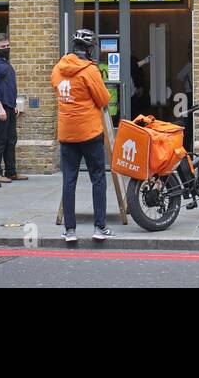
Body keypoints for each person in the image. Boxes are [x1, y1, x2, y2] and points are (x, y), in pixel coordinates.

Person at [51, 28, 113, 243]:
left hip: (66, 133)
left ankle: (69, 230)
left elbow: (55, 86)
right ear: (87, 50)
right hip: (89, 132)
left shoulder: (58, 68)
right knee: (98, 178)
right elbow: (104, 99)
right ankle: (99, 227)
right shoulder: (89, 70)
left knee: (69, 180)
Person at [0, 34, 26, 182]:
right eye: (3, 47)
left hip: (9, 106)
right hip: (0, 107)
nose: (6, 49)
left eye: (8, 46)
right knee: (0, 140)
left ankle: (11, 171)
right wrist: (0, 108)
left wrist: (13, 105)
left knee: (11, 140)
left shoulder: (5, 62)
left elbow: (9, 85)